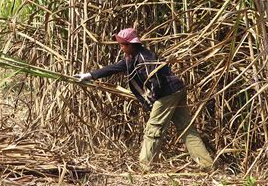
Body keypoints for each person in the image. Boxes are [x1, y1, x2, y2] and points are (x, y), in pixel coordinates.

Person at [74, 28, 214, 170]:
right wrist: (90, 75)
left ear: (131, 45)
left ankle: (144, 167)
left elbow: (157, 82)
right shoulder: (133, 57)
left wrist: (153, 99)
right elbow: (114, 68)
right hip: (176, 90)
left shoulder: (145, 59)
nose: (121, 48)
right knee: (185, 128)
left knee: (153, 129)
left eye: (123, 45)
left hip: (168, 94)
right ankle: (207, 165)